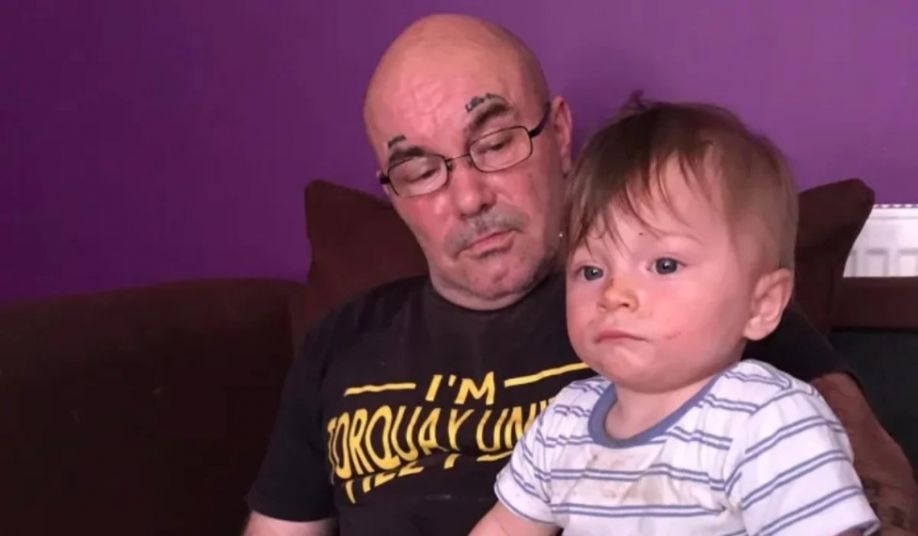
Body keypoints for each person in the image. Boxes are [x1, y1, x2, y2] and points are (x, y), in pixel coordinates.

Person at [243, 13, 916, 536]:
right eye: (419, 169)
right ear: (392, 192)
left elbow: (871, 483)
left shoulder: (713, 315)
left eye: (495, 142)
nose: (468, 196)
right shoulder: (346, 342)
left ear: (560, 133)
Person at [471, 98, 879, 535]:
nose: (614, 294)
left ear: (761, 305)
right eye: (590, 271)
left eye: (664, 265)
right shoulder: (563, 424)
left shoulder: (767, 421)